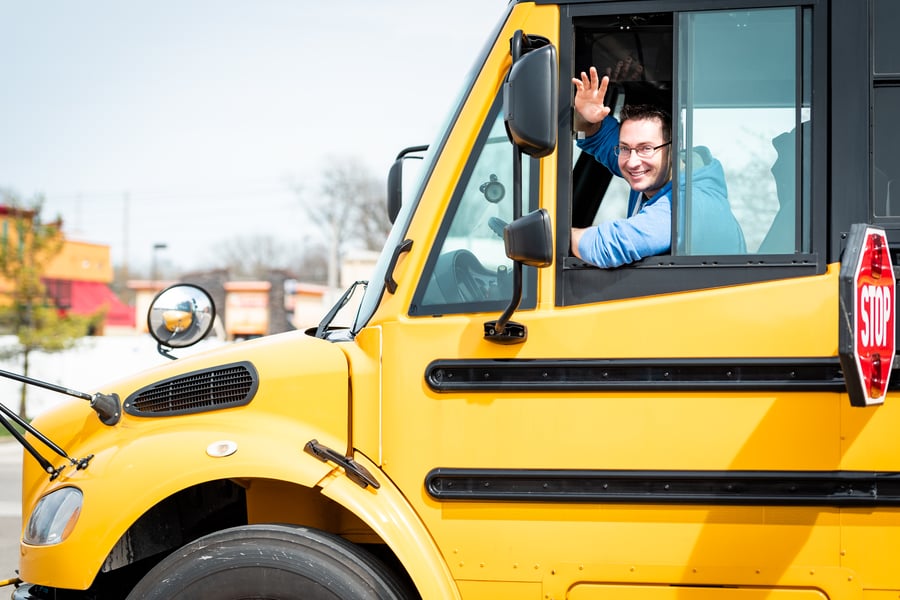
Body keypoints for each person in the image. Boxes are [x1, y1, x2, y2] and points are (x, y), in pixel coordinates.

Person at [570, 66, 745, 268]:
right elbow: (595, 136)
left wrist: (551, 235)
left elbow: (608, 247)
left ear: (675, 147)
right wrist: (584, 117)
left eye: (646, 148)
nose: (632, 162)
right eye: (625, 148)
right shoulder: (654, 171)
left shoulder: (694, 203)